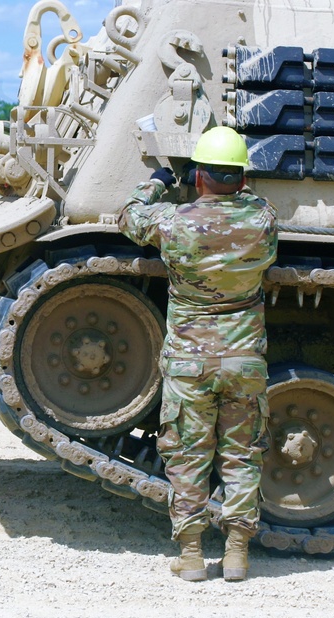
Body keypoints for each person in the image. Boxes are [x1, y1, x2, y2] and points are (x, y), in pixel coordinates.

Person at [118, 126, 278, 582]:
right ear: (242, 178)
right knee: (242, 454)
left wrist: (160, 180)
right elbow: (252, 203)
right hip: (245, 358)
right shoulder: (263, 219)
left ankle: (191, 556)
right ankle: (237, 555)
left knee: (188, 453)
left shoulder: (174, 221)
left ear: (199, 177)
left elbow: (129, 216)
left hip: (190, 361)